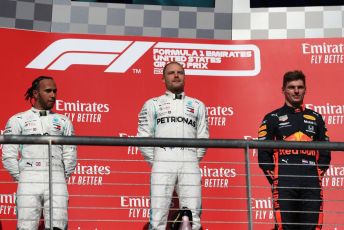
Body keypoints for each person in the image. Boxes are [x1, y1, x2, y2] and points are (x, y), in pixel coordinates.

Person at [137, 62, 209, 230]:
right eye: (171, 73)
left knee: (193, 216)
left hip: (190, 160)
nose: (176, 75)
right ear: (163, 78)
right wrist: (157, 161)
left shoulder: (198, 105)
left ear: (185, 77)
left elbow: (203, 137)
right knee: (158, 216)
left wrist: (191, 157)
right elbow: (144, 137)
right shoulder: (152, 104)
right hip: (162, 161)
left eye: (180, 72)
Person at [258, 70, 331, 229]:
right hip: (284, 184)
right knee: (285, 227)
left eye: (300, 87)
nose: (296, 91)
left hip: (311, 184)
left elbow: (326, 152)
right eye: (291, 87)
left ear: (305, 89)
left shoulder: (316, 118)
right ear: (283, 89)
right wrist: (277, 179)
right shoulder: (272, 118)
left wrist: (317, 174)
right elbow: (263, 154)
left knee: (313, 227)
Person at [2, 76, 77, 230]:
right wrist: (24, 176)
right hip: (28, 177)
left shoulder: (64, 121)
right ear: (36, 93)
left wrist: (60, 175)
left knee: (58, 226)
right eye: (48, 91)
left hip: (57, 176)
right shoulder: (18, 119)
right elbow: (8, 155)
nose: (53, 95)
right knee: (26, 227)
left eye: (55, 91)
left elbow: (71, 154)